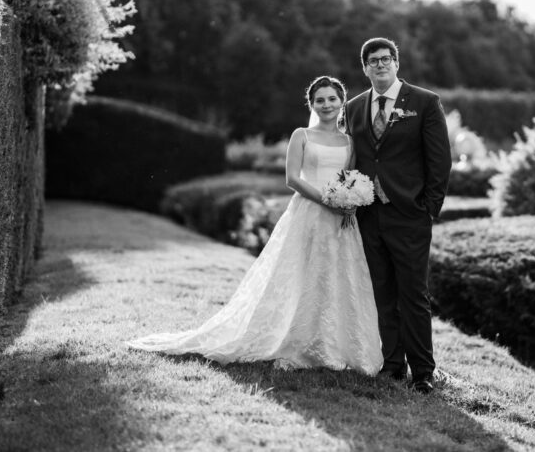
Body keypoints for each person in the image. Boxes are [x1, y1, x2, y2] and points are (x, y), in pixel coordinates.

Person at [126, 76, 382, 375]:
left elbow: (347, 176)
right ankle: (296, 341)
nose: (326, 105)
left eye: (332, 99)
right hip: (308, 213)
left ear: (342, 102)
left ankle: (333, 343)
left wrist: (349, 199)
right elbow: (292, 179)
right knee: (302, 275)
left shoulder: (349, 141)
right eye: (320, 100)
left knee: (335, 276)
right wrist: (326, 200)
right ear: (312, 104)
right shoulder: (302, 135)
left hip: (341, 219)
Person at [343, 37, 451, 393]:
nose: (380, 65)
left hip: (409, 214)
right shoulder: (356, 107)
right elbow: (354, 157)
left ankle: (422, 371)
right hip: (369, 216)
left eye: (386, 59)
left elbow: (440, 161)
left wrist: (428, 210)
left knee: (414, 294)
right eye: (372, 60)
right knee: (382, 292)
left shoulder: (424, 102)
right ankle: (392, 365)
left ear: (396, 63)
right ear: (364, 67)